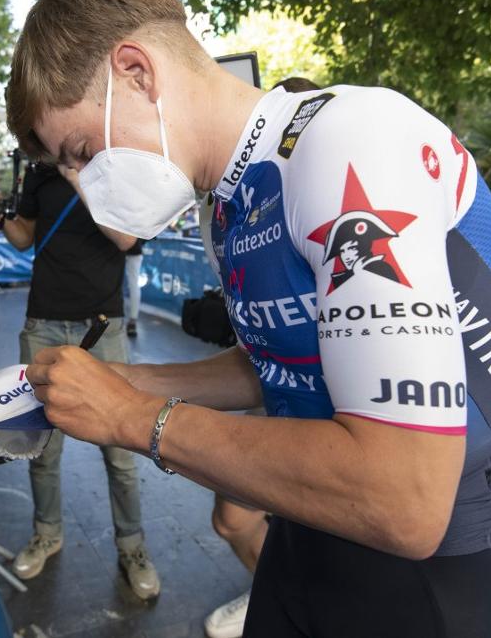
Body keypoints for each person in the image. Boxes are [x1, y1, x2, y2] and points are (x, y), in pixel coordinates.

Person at [8, 0, 491, 636]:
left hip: (438, 581)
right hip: (307, 535)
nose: (81, 185)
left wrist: (131, 417)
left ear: (136, 72)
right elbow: (282, 358)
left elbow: (405, 497)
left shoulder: (348, 141)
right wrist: (119, 380)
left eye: (80, 149)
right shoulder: (227, 199)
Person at [0, 162, 161, 600]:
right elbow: (25, 236)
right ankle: (47, 532)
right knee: (39, 446)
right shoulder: (38, 173)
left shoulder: (113, 165)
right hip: (43, 322)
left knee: (122, 450)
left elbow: (126, 238)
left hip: (101, 326)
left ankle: (132, 546)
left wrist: (80, 175)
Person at [202, 75, 322, 638]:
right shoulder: (232, 206)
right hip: (278, 393)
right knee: (233, 517)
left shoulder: (325, 186)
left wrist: (142, 419)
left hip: (343, 420)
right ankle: (270, 591)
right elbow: (256, 351)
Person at [123, 240, 144, 338]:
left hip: (119, 249)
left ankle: (132, 320)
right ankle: (133, 320)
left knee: (133, 285)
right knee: (134, 285)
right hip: (134, 248)